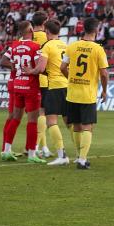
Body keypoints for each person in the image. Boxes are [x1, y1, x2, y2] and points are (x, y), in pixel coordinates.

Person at [61, 17, 110, 170]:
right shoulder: (98, 49)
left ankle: (78, 156)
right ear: (96, 30)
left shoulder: (72, 46)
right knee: (88, 127)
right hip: (87, 94)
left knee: (76, 126)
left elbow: (62, 67)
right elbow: (104, 73)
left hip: (72, 93)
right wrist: (104, 91)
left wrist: (72, 78)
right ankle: (82, 160)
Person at [25, 20, 70, 166]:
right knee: (70, 123)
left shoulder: (47, 45)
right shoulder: (66, 45)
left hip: (54, 86)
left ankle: (62, 155)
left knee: (51, 121)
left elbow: (40, 68)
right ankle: (81, 155)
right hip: (67, 85)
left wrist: (30, 71)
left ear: (47, 32)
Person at [1, 21, 44, 163]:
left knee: (15, 118)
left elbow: (6, 61)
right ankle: (32, 154)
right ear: (31, 30)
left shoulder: (14, 46)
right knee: (32, 121)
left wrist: (15, 67)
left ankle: (6, 151)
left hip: (17, 85)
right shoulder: (35, 47)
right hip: (30, 86)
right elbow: (39, 68)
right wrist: (34, 71)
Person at [31, 11, 50, 159]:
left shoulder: (25, 37)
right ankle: (36, 146)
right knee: (43, 113)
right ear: (44, 23)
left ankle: (44, 147)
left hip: (28, 80)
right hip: (43, 78)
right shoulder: (47, 37)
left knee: (35, 115)